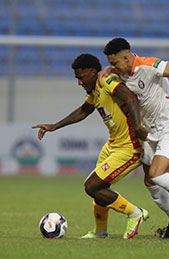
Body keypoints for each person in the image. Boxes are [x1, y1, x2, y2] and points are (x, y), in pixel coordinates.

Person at [32, 53, 149, 239]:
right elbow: (85, 110)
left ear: (93, 72)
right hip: (113, 145)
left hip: (129, 147)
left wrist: (137, 126)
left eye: (80, 77)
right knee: (99, 190)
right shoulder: (94, 91)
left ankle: (135, 213)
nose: (79, 82)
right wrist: (55, 126)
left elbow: (130, 98)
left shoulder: (108, 82)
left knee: (91, 187)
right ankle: (101, 232)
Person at [101, 37, 169, 234]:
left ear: (128, 58)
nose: (112, 67)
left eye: (114, 63)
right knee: (149, 180)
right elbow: (109, 72)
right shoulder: (119, 73)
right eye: (110, 63)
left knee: (157, 174)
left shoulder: (149, 65)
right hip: (150, 132)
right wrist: (106, 70)